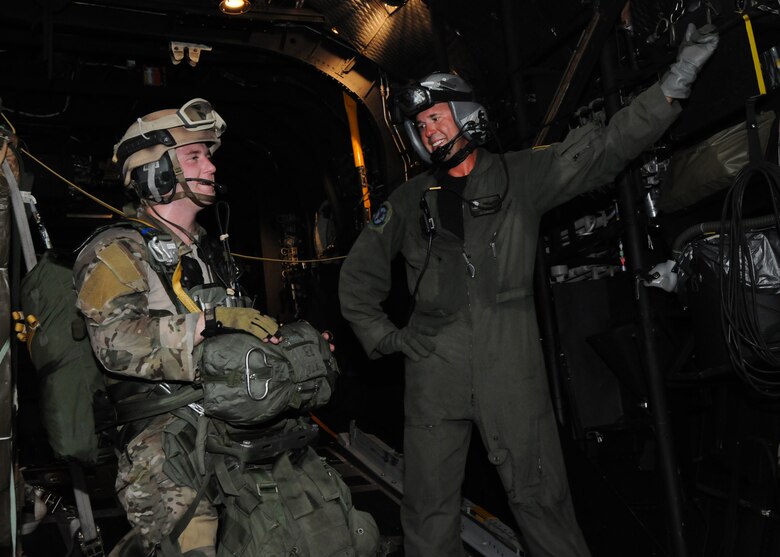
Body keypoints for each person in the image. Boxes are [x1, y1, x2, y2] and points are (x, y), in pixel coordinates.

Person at [338, 23, 719, 557]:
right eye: (421, 125)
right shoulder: (406, 202)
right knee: (427, 510)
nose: (430, 132)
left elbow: (606, 148)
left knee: (541, 500)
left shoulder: (523, 175)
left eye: (437, 117)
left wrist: (677, 78)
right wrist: (388, 339)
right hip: (432, 369)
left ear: (466, 115)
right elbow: (357, 279)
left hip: (510, 364)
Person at [73, 100, 371, 557]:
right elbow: (114, 345)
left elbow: (233, 340)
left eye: (208, 155)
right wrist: (206, 322)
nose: (210, 165)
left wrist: (283, 350)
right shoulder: (115, 250)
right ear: (156, 172)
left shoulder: (207, 250)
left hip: (231, 429)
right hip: (167, 445)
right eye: (195, 156)